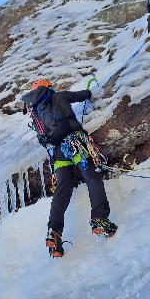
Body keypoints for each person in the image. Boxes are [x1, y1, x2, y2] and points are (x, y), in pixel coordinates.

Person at [22, 79, 117, 258]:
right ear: (48, 88)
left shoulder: (33, 110)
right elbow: (82, 95)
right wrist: (90, 92)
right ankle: (100, 218)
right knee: (91, 177)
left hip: (56, 153)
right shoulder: (58, 96)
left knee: (62, 190)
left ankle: (54, 231)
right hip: (74, 145)